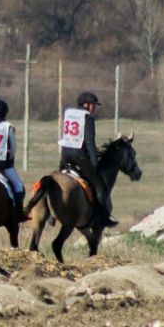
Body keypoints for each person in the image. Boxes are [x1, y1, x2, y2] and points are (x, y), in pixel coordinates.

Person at [58, 91, 118, 227]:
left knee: (57, 180)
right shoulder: (88, 118)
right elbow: (90, 142)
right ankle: (103, 218)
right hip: (79, 156)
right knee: (100, 186)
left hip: (65, 155)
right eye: (92, 105)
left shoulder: (68, 114)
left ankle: (51, 216)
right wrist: (95, 164)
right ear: (85, 105)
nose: (94, 108)